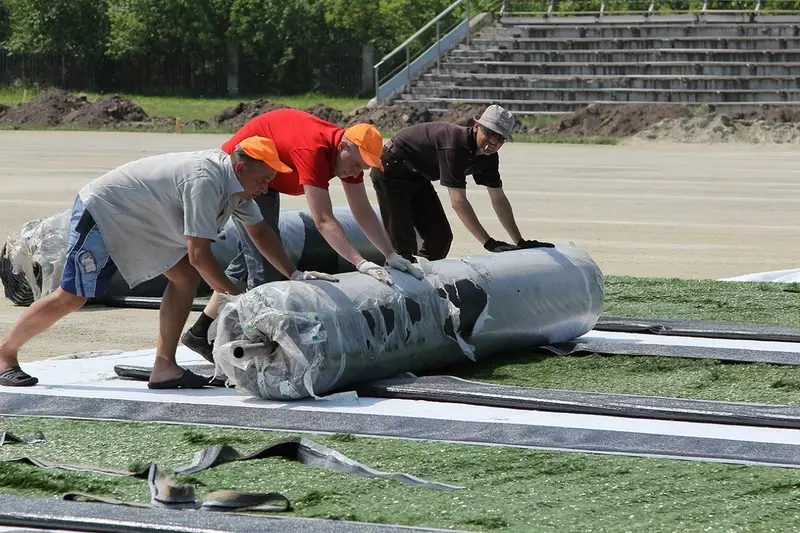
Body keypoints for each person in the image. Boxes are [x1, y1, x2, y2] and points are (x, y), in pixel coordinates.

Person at [0, 137, 337, 389]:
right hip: (109, 211)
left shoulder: (239, 190)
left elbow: (261, 232)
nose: (266, 188)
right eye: (263, 180)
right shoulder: (205, 179)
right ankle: (4, 355)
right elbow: (199, 254)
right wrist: (241, 300)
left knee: (184, 280)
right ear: (241, 167)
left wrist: (294, 273)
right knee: (72, 296)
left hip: (148, 221)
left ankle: (164, 366)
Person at [181, 108, 424, 362]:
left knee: (248, 258)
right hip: (246, 174)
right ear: (343, 147)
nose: (355, 173)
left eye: (361, 169)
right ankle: (253, 350)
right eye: (354, 165)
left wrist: (390, 254)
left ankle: (200, 333)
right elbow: (323, 219)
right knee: (265, 268)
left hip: (267, 178)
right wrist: (360, 262)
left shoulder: (347, 159)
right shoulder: (314, 151)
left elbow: (362, 210)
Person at [370, 104, 555, 261]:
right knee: (403, 245)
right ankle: (399, 279)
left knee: (440, 239)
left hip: (418, 175)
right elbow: (458, 202)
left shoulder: (489, 156)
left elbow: (498, 198)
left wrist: (519, 241)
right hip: (390, 168)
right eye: (489, 133)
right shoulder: (455, 145)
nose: (493, 141)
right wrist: (488, 242)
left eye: (500, 138)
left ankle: (421, 279)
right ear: (476, 127)